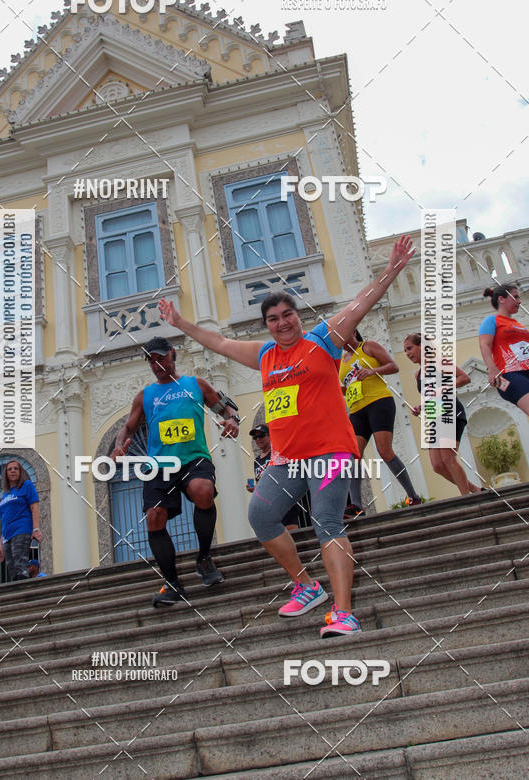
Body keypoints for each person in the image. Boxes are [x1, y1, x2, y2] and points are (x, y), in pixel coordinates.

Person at [159, 235, 415, 638]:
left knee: (327, 520)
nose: (282, 322)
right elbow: (221, 343)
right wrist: (180, 324)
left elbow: (359, 304)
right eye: (273, 318)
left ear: (298, 315)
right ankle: (307, 585)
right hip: (287, 459)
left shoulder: (322, 341)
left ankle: (344, 611)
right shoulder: (264, 356)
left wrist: (392, 269)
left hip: (330, 452)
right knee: (261, 517)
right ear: (267, 325)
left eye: (287, 314)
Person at [111, 336, 240, 606]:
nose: (157, 364)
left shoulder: (195, 384)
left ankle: (204, 559)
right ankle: (173, 583)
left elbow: (224, 407)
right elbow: (128, 427)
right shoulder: (145, 395)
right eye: (151, 360)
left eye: (160, 357)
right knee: (154, 516)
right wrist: (120, 444)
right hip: (159, 465)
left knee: (203, 491)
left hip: (194, 458)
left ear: (173, 354)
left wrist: (232, 420)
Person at [339, 330, 421, 515]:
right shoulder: (342, 361)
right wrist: (339, 390)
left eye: (341, 336)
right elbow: (349, 387)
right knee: (353, 456)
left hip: (378, 402)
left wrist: (371, 371)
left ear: (352, 332)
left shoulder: (368, 346)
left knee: (384, 451)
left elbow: (393, 366)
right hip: (356, 410)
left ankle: (412, 495)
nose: (339, 341)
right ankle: (356, 505)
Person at [403, 333, 481, 495]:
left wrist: (445, 388)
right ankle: (475, 490)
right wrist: (421, 407)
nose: (407, 354)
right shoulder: (417, 374)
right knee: (437, 465)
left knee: (447, 457)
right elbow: (430, 396)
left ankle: (466, 496)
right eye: (404, 351)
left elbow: (464, 378)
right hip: (434, 416)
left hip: (450, 410)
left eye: (410, 348)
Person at [479, 284, 529, 416]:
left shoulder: (518, 325)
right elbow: (484, 345)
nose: (519, 301)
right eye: (516, 297)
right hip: (509, 374)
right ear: (501, 299)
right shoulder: (492, 320)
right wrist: (492, 369)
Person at [0, 460, 43, 581]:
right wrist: (1, 545)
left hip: (21, 529)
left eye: (15, 469)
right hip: (7, 535)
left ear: (20, 472)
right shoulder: (5, 495)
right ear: (6, 474)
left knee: (20, 565)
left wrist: (36, 529)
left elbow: (34, 507)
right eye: (9, 469)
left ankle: (25, 596)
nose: (12, 471)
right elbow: (4, 521)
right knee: (12, 570)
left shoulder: (26, 485)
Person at [248, 423, 299, 531]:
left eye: (261, 435)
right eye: (255, 437)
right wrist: (254, 488)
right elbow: (260, 481)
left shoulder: (277, 454)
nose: (258, 439)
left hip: (283, 498)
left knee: (292, 533)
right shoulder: (257, 461)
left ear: (270, 435)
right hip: (268, 503)